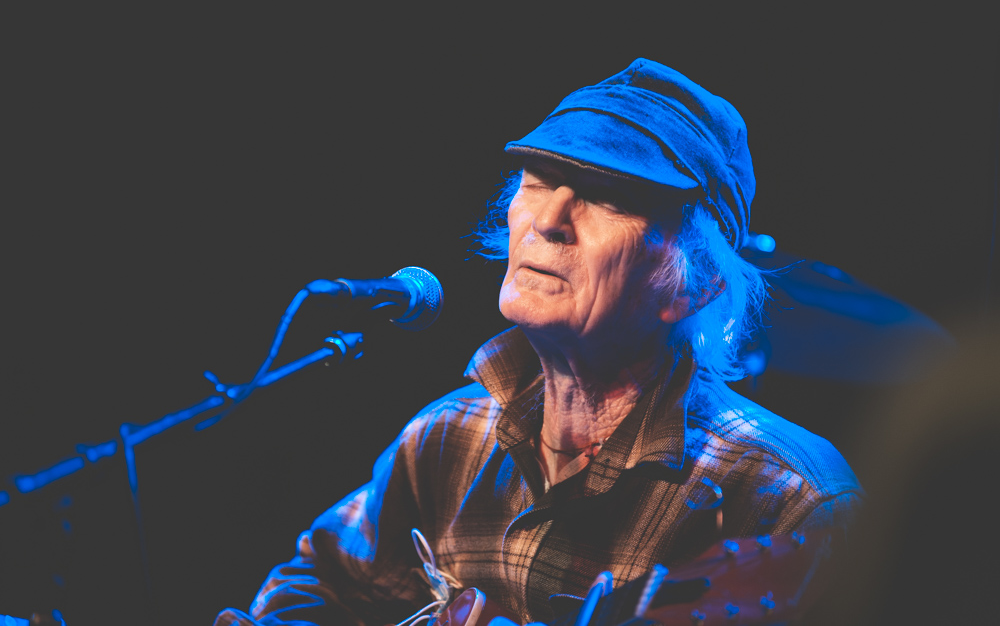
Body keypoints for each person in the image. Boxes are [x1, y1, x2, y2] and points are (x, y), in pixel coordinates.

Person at [214, 58, 863, 626]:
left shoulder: (793, 503)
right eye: (537, 181)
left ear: (695, 283)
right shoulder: (449, 436)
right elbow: (318, 585)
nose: (547, 220)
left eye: (607, 197)